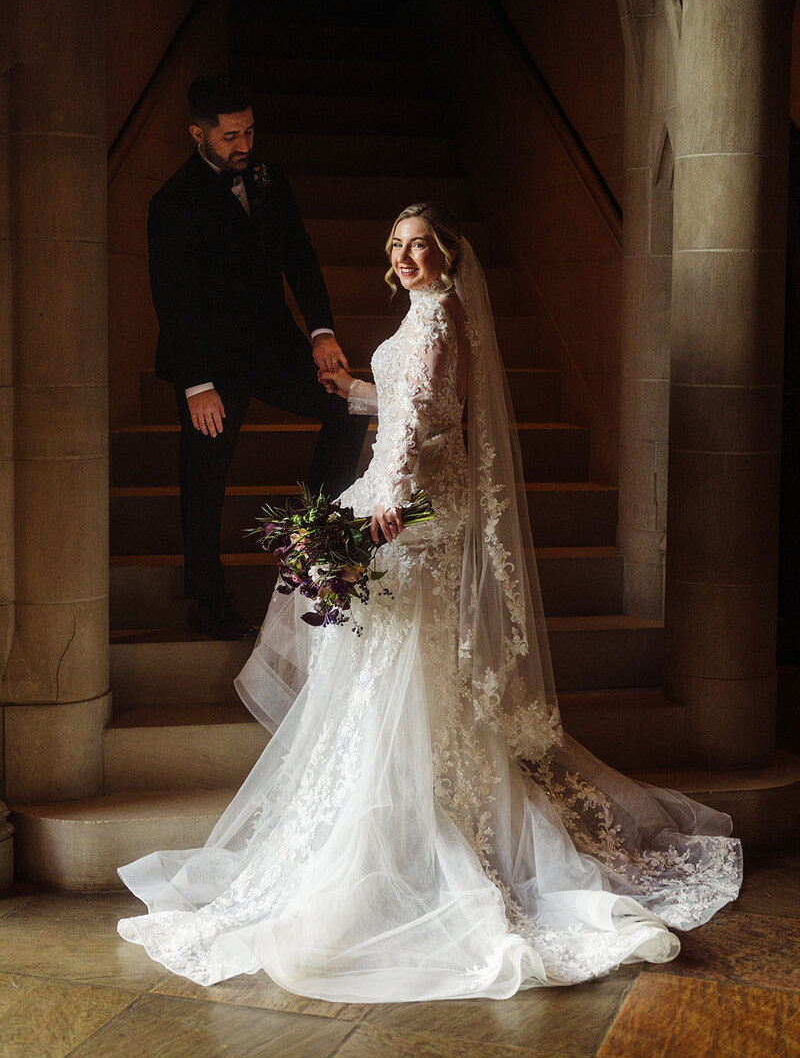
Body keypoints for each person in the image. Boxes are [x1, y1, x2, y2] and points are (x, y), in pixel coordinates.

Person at [118, 203, 742, 1000]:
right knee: (393, 661)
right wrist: (353, 392)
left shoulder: (439, 319)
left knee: (393, 663)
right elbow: (426, 410)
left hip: (410, 510)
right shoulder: (429, 317)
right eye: (397, 246)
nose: (406, 258)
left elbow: (418, 426)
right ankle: (396, 817)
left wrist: (389, 507)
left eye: (420, 247)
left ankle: (403, 834)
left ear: (447, 255)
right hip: (413, 500)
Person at [147, 75, 369, 640]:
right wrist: (197, 384)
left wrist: (321, 332)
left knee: (348, 409)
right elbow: (174, 301)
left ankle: (314, 542)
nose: (243, 145)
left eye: (248, 131)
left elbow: (300, 256)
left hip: (273, 344)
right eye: (229, 137)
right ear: (197, 134)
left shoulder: (271, 181)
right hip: (208, 361)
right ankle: (207, 598)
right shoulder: (171, 202)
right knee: (204, 474)